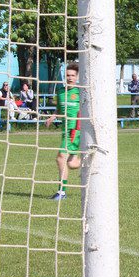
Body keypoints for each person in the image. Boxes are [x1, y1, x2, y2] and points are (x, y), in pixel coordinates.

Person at [45, 62, 81, 200]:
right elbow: (59, 108)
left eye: (73, 75)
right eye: (68, 75)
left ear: (77, 77)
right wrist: (52, 117)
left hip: (75, 129)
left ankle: (61, 192)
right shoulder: (60, 91)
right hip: (65, 129)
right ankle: (87, 161)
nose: (70, 78)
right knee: (72, 163)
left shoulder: (80, 91)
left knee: (61, 158)